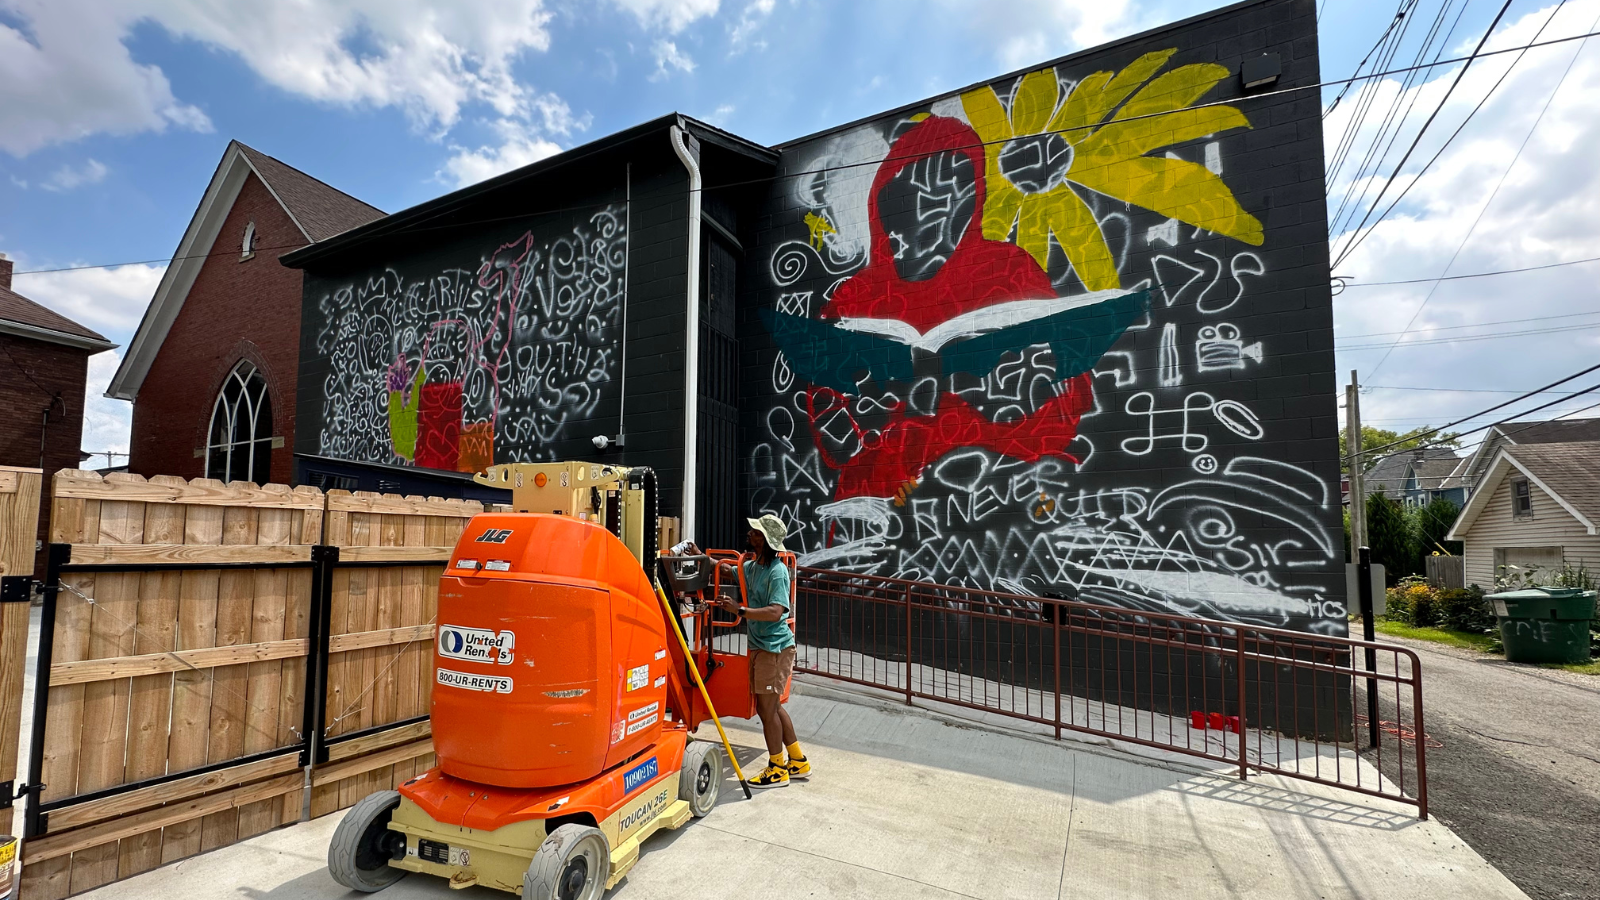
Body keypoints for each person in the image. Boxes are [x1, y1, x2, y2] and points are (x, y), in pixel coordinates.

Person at [714, 514, 810, 788]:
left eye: (755, 532)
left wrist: (740, 610)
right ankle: (797, 761)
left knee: (767, 711)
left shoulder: (777, 572)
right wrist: (701, 558)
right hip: (761, 646)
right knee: (773, 707)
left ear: (766, 541)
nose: (749, 534)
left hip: (774, 648)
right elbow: (728, 570)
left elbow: (776, 611)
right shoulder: (753, 566)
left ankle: (777, 769)